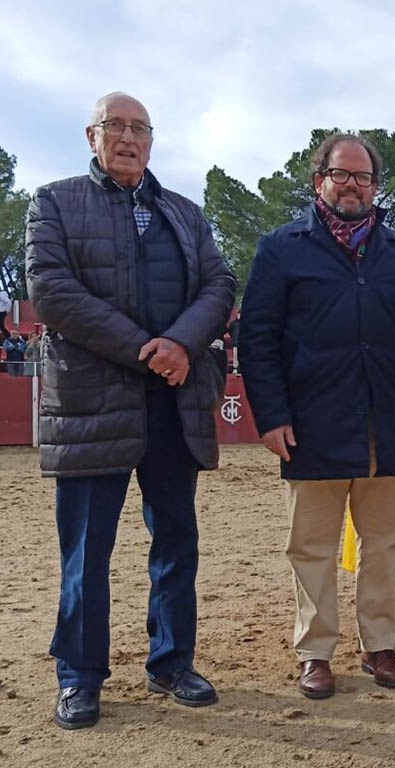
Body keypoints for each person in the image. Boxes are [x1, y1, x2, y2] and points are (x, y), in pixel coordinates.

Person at [25, 92, 235, 729]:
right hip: (92, 402)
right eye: (114, 125)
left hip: (176, 400)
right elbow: (50, 290)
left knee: (177, 541)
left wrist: (180, 344)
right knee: (87, 550)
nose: (127, 137)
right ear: (91, 135)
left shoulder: (185, 213)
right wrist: (147, 348)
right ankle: (80, 676)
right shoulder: (53, 201)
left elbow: (219, 284)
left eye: (139, 128)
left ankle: (172, 662)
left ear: (152, 140)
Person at [238, 133, 395, 699]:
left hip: (387, 421)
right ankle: (315, 650)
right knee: (311, 546)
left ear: (376, 187)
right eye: (342, 174)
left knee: (384, 542)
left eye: (365, 177)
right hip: (310, 424)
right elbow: (256, 339)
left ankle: (379, 645)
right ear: (318, 180)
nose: (353, 185)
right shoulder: (280, 248)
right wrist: (271, 416)